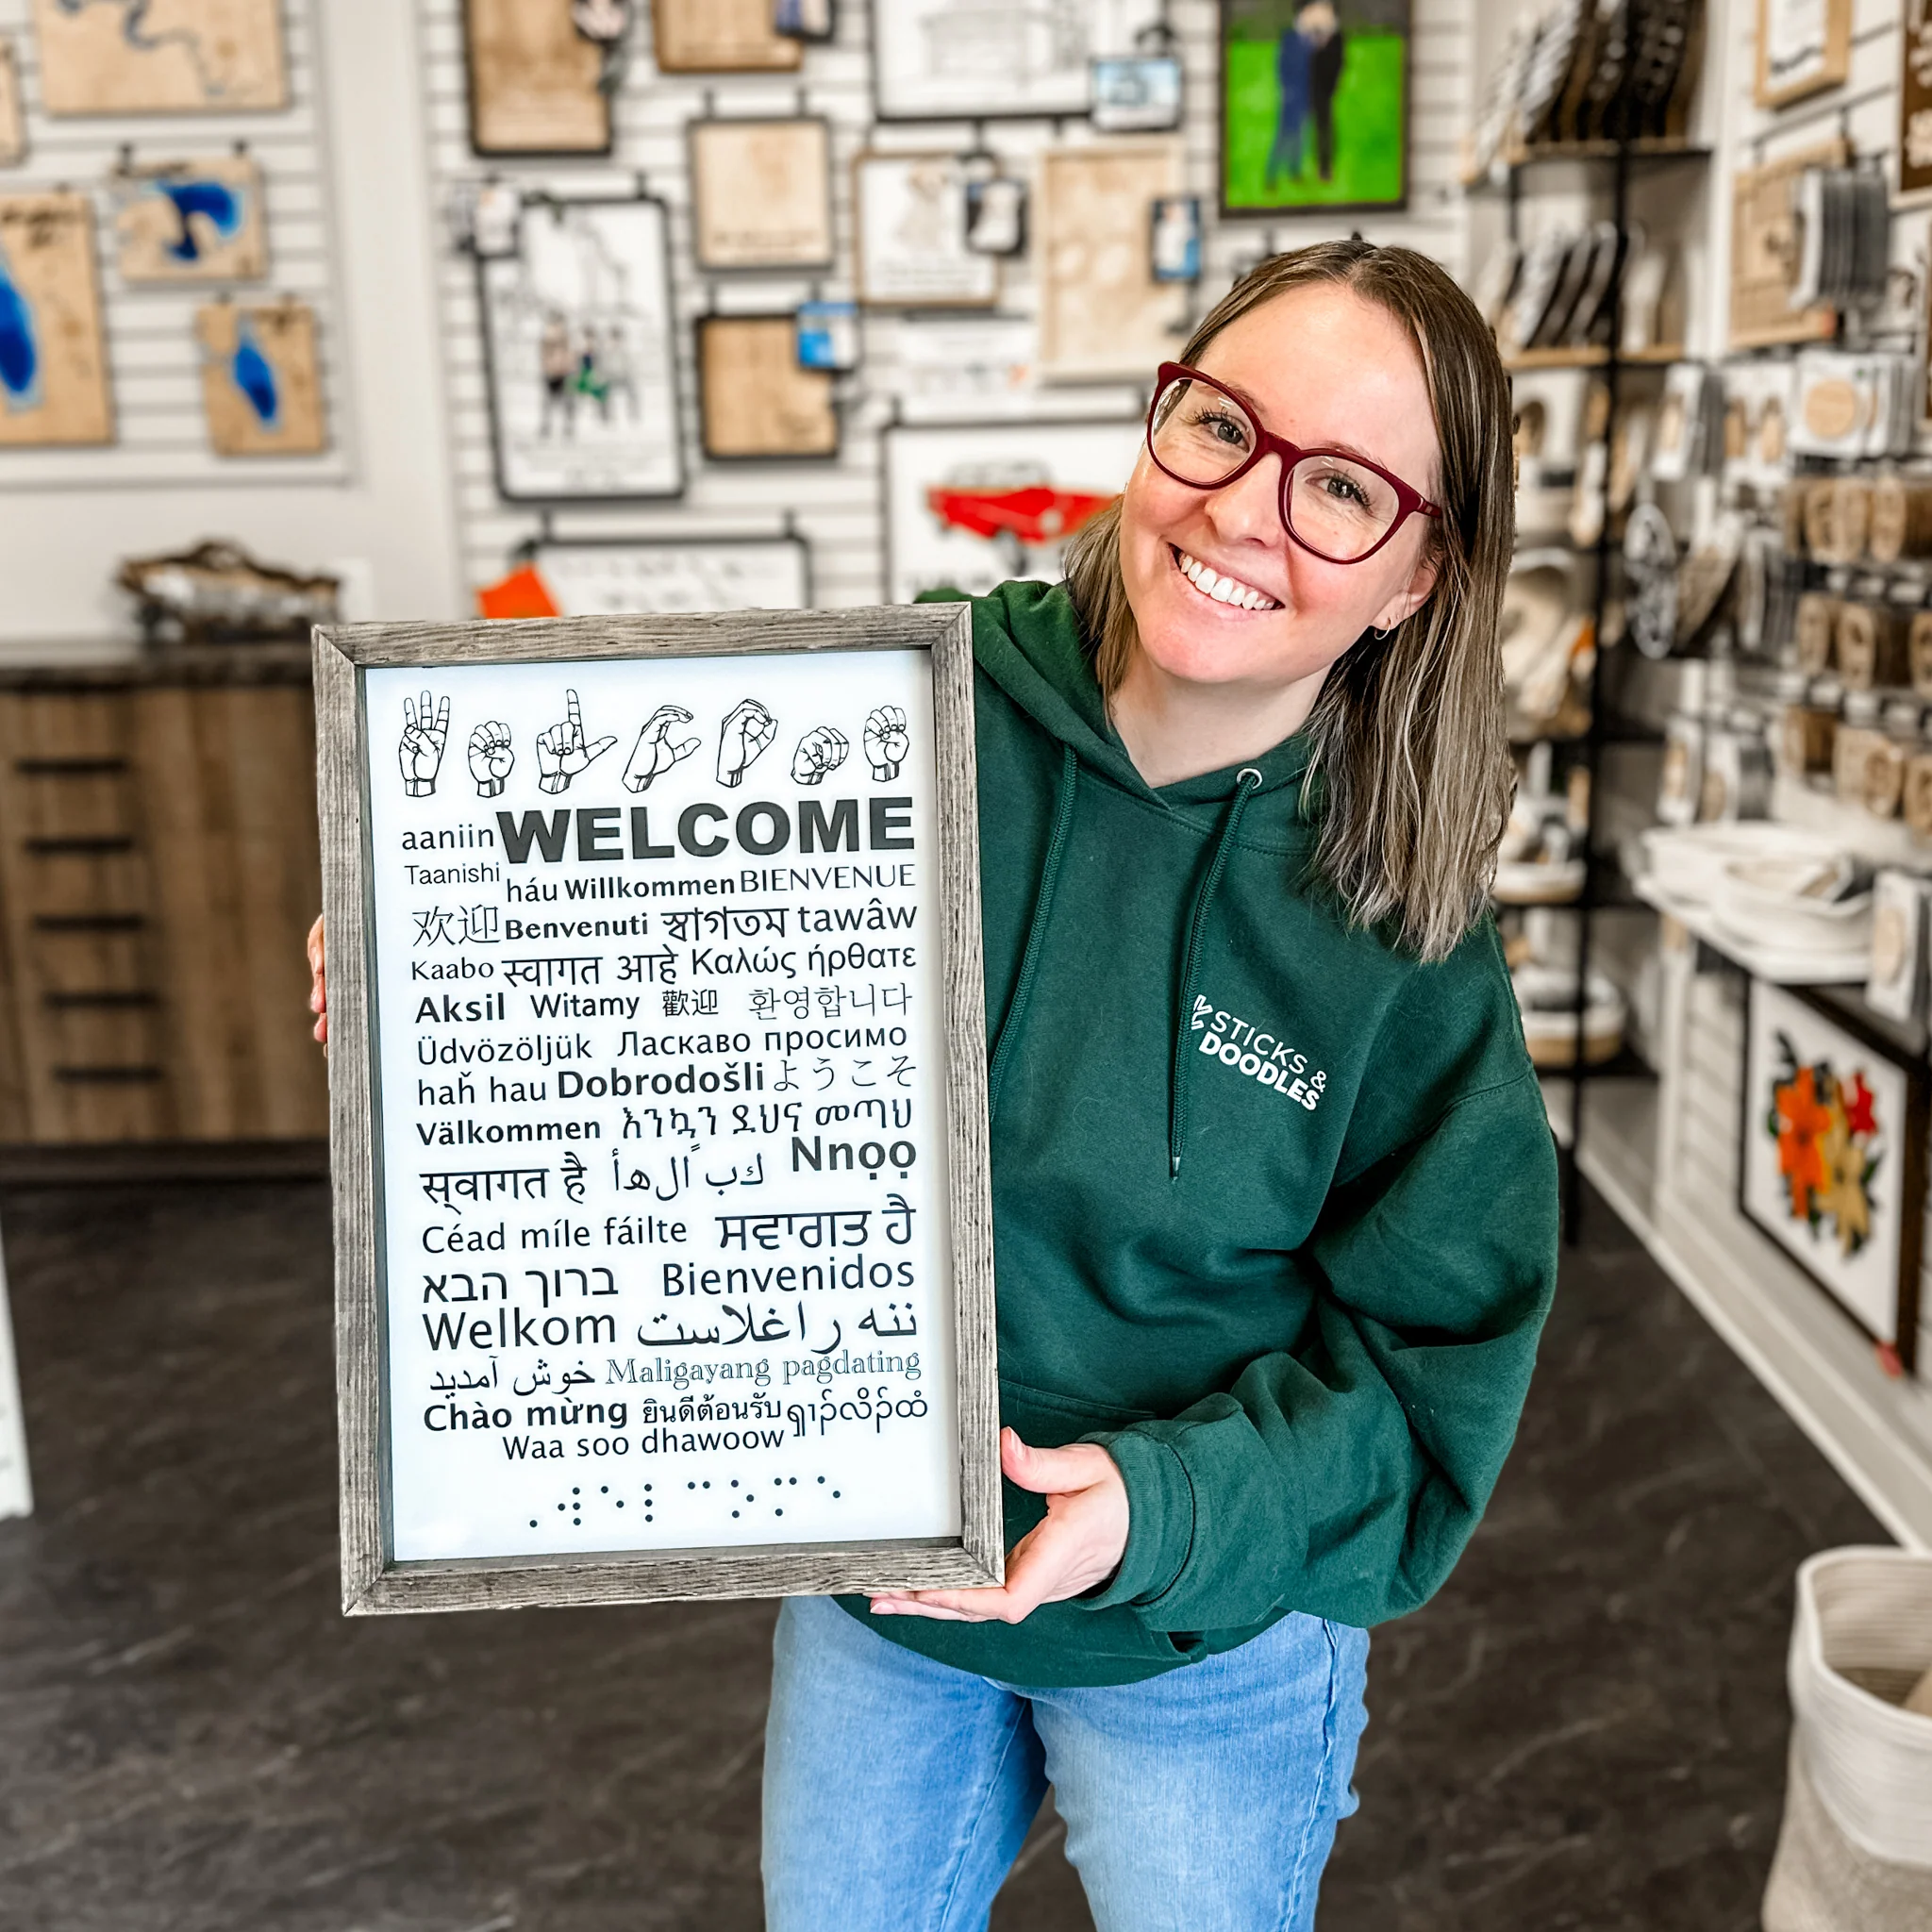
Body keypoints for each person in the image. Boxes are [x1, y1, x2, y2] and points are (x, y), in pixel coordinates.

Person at [307, 241, 1557, 1931]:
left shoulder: (1402, 932)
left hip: (1199, 1621)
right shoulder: (881, 722)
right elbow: (647, 1010)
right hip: (879, 1597)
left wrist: (1165, 1508)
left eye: (1341, 487)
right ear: (1157, 423)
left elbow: (1430, 1381)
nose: (1246, 511)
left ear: (1418, 574)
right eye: (1220, 428)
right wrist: (437, 949)